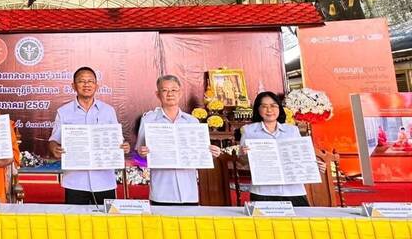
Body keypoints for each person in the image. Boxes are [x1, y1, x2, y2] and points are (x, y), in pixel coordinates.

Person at [49, 67, 130, 205]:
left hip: (104, 181)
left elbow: (118, 140)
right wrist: (54, 148)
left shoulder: (108, 111)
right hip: (75, 182)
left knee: (106, 224)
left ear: (96, 85)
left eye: (90, 81)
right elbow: (53, 140)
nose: (86, 85)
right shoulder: (63, 112)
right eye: (81, 81)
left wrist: (124, 146)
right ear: (73, 86)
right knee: (75, 224)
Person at [136, 75, 221, 205]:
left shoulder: (192, 121)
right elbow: (138, 155)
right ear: (158, 94)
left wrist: (211, 154)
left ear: (180, 93)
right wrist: (142, 154)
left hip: (189, 192)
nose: (170, 94)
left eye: (174, 90)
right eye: (164, 90)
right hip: (161, 192)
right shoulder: (149, 120)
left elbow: (201, 154)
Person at [240, 91, 310, 207]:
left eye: (273, 106)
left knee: (299, 223)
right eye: (264, 106)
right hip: (262, 190)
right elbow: (242, 161)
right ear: (258, 109)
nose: (269, 110)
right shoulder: (249, 131)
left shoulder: (292, 131)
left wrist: (314, 164)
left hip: (292, 189)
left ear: (279, 108)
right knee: (263, 224)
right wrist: (244, 154)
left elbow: (301, 157)